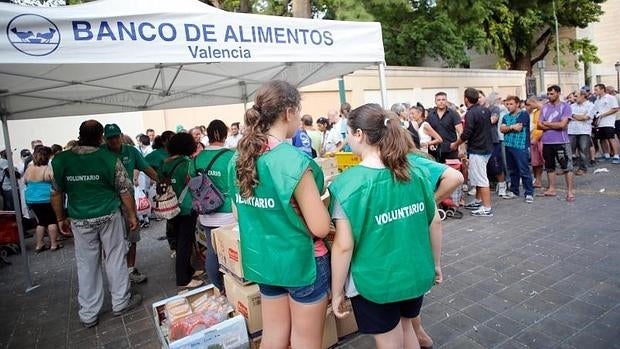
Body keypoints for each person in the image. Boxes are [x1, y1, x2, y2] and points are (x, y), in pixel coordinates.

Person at [329, 104, 442, 349]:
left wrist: (337, 292)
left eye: (347, 133)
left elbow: (343, 246)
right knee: (406, 327)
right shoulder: (415, 171)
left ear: (359, 134)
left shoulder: (347, 184)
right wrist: (435, 264)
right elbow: (433, 220)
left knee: (390, 341)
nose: (346, 139)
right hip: (415, 271)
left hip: (376, 280)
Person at [231, 80, 331, 348]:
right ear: (288, 111)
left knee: (273, 336)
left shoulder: (238, 159)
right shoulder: (293, 160)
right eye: (298, 111)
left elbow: (239, 214)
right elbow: (320, 227)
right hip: (302, 263)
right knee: (305, 341)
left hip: (264, 261)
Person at [50, 120, 142, 328]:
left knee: (86, 265)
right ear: (101, 136)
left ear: (80, 134)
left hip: (80, 219)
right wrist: (132, 216)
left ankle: (89, 313)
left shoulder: (61, 160)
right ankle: (120, 302)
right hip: (108, 215)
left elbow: (56, 192)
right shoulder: (109, 158)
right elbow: (124, 190)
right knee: (116, 258)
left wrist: (59, 218)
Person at [103, 124, 158, 284]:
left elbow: (146, 168)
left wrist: (160, 180)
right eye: (110, 137)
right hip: (109, 203)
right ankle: (115, 273)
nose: (113, 140)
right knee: (111, 241)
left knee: (132, 236)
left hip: (129, 202)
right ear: (105, 139)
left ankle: (130, 269)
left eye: (116, 136)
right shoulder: (101, 153)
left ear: (121, 136)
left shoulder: (131, 151)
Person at [194, 120, 235, 293]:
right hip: (228, 213)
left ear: (208, 135)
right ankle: (234, 289)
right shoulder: (231, 156)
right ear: (224, 135)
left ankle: (218, 288)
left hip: (206, 213)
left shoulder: (197, 158)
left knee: (212, 252)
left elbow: (192, 181)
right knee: (233, 252)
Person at [161, 133, 204, 290]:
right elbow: (193, 183)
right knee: (185, 244)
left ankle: (189, 270)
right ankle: (183, 280)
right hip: (186, 207)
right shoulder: (187, 163)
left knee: (181, 241)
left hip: (171, 207)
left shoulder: (165, 163)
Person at [451, 88, 494, 217]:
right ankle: (478, 201)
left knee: (481, 179)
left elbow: (466, 133)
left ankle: (486, 208)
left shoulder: (470, 113)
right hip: (487, 148)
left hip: (478, 149)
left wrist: (456, 144)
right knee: (478, 176)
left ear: (466, 99)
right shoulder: (485, 110)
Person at [538, 85, 575, 202]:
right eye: (548, 94)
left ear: (558, 93)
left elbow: (562, 125)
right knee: (549, 166)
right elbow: (539, 124)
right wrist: (554, 124)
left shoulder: (565, 107)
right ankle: (551, 188)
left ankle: (569, 191)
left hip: (561, 141)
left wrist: (547, 124)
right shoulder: (544, 107)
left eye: (552, 94)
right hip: (547, 141)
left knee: (566, 166)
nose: (549, 96)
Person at [24, 146, 63, 253]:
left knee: (41, 221)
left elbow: (25, 182)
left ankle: (39, 244)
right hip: (46, 199)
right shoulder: (48, 169)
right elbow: (56, 185)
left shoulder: (29, 169)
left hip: (31, 199)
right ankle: (54, 244)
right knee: (51, 220)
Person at [500, 96, 534, 203]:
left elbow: (519, 127)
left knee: (524, 170)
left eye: (511, 104)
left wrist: (508, 128)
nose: (509, 106)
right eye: (507, 104)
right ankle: (514, 191)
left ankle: (528, 192)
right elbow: (502, 129)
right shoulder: (505, 116)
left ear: (517, 104)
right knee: (512, 170)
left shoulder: (523, 114)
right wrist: (511, 127)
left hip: (520, 146)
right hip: (509, 145)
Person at [427, 92, 463, 163]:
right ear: (435, 102)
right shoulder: (430, 115)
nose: (441, 102)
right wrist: (430, 143)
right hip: (435, 151)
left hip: (451, 150)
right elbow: (428, 132)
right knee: (436, 173)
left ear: (446, 101)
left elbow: (461, 132)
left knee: (453, 172)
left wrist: (459, 146)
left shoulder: (454, 114)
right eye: (438, 100)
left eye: (443, 100)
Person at [569, 90, 595, 175]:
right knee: (569, 150)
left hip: (584, 131)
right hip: (572, 130)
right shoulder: (572, 106)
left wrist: (573, 115)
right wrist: (579, 116)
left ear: (583, 96)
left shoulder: (590, 105)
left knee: (583, 151)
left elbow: (585, 118)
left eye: (576, 96)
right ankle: (567, 169)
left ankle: (582, 168)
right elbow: (568, 117)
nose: (574, 98)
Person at [592, 83, 620, 164]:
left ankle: (616, 155)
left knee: (611, 138)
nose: (595, 91)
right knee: (602, 139)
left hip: (608, 122)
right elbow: (595, 110)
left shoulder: (610, 98)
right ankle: (606, 154)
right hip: (599, 123)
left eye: (596, 90)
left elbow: (615, 109)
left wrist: (604, 114)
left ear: (602, 89)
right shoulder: (597, 100)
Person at [526, 96, 545, 188]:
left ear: (534, 102)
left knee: (542, 160)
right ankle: (537, 180)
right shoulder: (535, 112)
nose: (529, 106)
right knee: (535, 161)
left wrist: (536, 138)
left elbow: (542, 126)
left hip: (541, 138)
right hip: (534, 137)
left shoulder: (544, 110)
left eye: (530, 104)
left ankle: (539, 180)